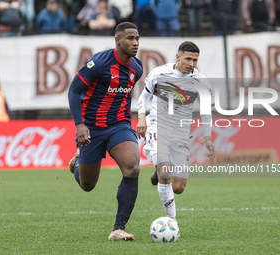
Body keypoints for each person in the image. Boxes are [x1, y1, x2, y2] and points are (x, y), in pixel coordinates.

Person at [68, 22, 143, 241]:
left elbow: (124, 96)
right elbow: (74, 90)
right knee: (87, 185)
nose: (135, 42)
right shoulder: (98, 63)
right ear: (118, 40)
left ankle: (118, 228)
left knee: (132, 167)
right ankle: (79, 162)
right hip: (92, 128)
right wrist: (80, 125)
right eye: (130, 38)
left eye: (137, 38)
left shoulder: (136, 68)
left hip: (119, 125)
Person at [136, 41, 216, 223]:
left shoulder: (201, 82)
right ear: (178, 57)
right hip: (157, 126)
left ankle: (159, 172)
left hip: (180, 133)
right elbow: (145, 95)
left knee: (178, 187)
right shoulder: (159, 72)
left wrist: (208, 137)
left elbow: (205, 111)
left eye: (195, 60)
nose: (191, 64)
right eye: (188, 59)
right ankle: (171, 222)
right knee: (166, 172)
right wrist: (141, 117)